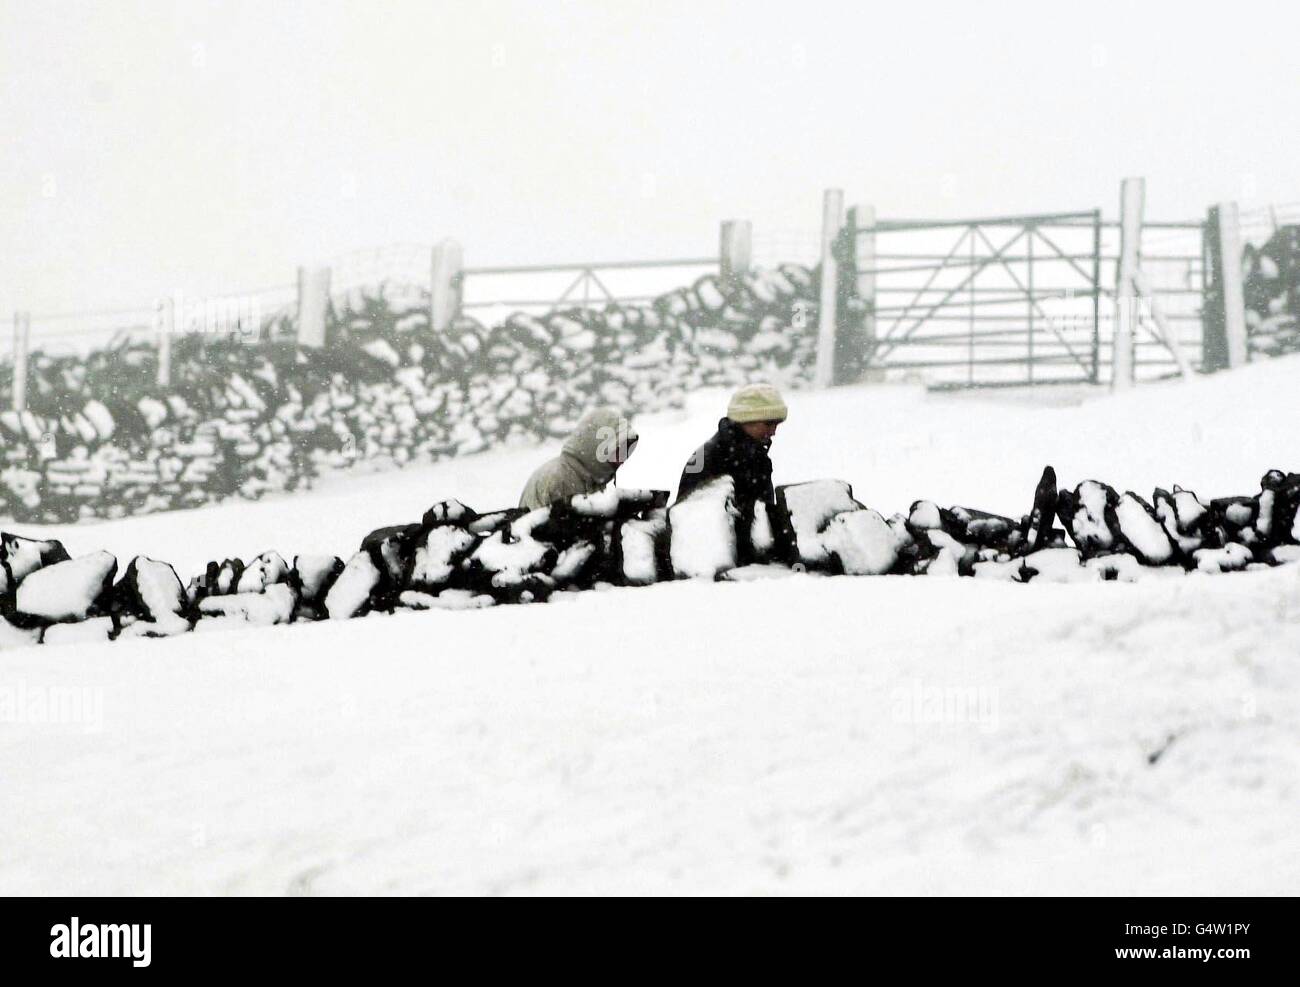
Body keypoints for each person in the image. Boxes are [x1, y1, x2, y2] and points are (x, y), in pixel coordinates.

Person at [675, 383, 787, 537]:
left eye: (777, 424)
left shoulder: (757, 457)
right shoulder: (709, 458)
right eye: (768, 424)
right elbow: (688, 523)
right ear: (746, 419)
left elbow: (763, 511)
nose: (773, 432)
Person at [519, 406, 638, 510]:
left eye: (624, 454)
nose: (621, 461)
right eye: (617, 452)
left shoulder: (589, 479)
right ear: (596, 445)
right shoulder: (558, 480)